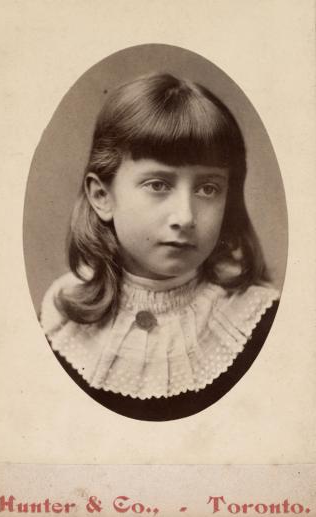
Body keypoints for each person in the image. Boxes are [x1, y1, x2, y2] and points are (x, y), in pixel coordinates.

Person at [40, 72, 280, 421]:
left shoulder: (256, 323)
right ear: (102, 196)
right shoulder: (61, 323)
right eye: (158, 184)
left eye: (208, 189)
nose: (185, 216)